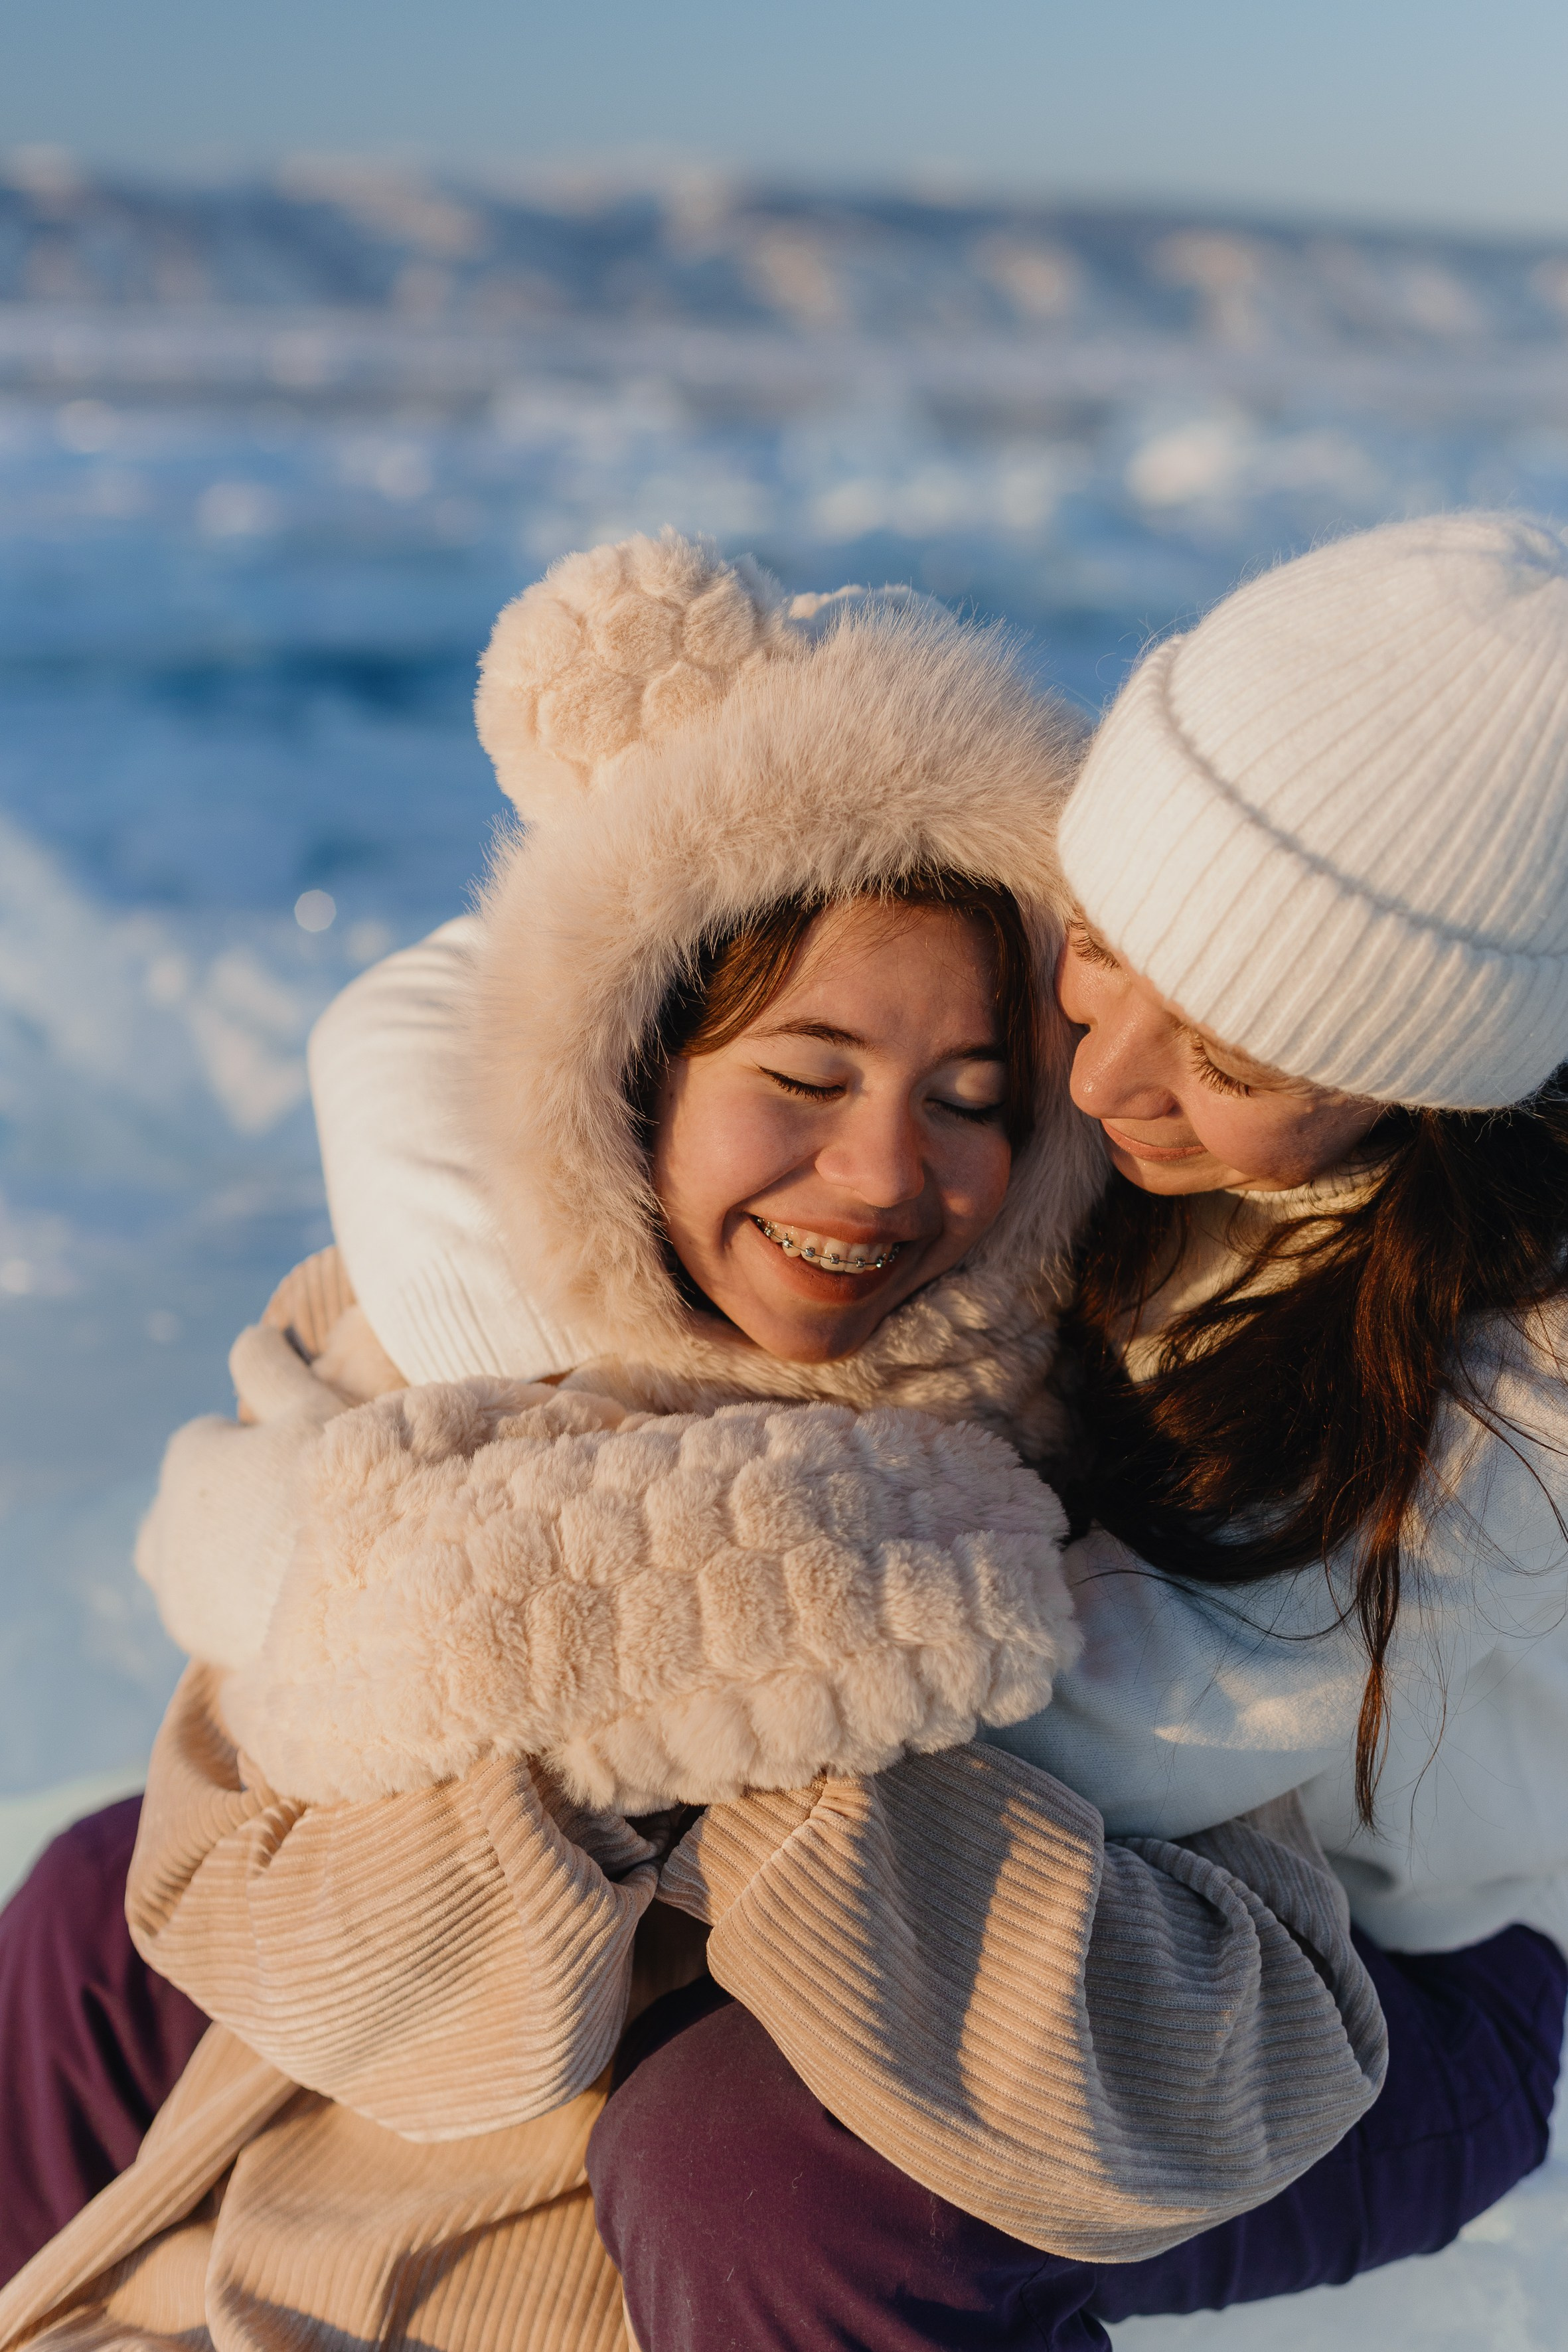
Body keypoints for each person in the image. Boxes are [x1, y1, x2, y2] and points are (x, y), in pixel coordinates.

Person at [0, 538, 1381, 2349]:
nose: (887, 1177)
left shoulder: (1117, 1431)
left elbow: (1214, 2083)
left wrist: (807, 1713)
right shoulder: (416, 1375)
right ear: (635, 1070)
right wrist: (671, 1615)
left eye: (972, 1103)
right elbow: (301, 1956)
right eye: (801, 1082)